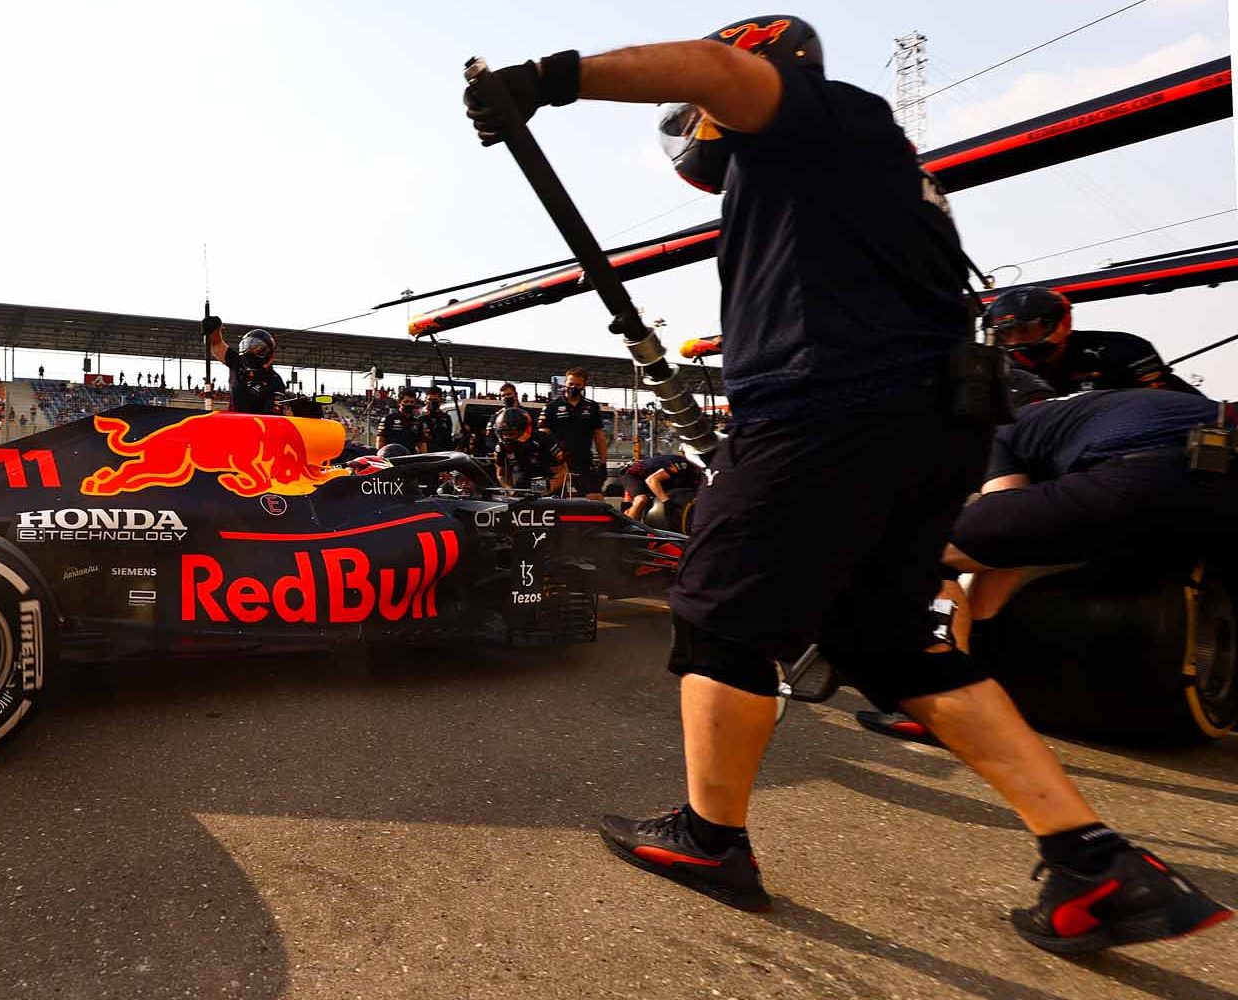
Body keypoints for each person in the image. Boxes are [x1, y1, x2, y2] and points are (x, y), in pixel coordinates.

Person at [467, 14, 1229, 949]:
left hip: (829, 406)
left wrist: (550, 78)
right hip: (926, 418)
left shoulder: (814, 118)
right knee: (887, 641)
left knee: (718, 611)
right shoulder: (855, 167)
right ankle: (1094, 861)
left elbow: (714, 67)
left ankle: (710, 838)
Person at [862, 372, 1238, 743]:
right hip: (1219, 462)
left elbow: (1001, 523)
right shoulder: (1085, 408)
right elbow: (1013, 546)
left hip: (1147, 472)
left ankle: (949, 708)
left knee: (926, 549)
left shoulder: (998, 429)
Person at [985, 286, 1201, 396]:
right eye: (1005, 333)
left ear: (1057, 322)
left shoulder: (1123, 349)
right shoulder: (996, 369)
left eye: (1024, 329)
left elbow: (1169, 403)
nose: (1014, 341)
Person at [541, 366, 609, 495]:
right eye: (570, 383)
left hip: (583, 461)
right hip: (557, 462)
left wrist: (603, 462)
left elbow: (599, 435)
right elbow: (543, 434)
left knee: (595, 499)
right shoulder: (551, 407)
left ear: (583, 386)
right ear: (565, 383)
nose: (573, 387)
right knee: (553, 501)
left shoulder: (592, 406)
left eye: (578, 384)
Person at [205, 317, 286, 415]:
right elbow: (215, 344)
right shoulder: (238, 362)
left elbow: (273, 416)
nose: (249, 350)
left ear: (269, 353)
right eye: (247, 345)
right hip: (234, 422)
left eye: (257, 347)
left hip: (258, 425)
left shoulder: (275, 381)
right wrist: (213, 330)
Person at [491, 406, 567, 493]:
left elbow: (562, 473)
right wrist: (510, 490)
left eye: (511, 433)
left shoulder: (544, 440)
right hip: (520, 486)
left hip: (548, 485)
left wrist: (547, 490)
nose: (506, 437)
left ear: (524, 429)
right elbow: (501, 474)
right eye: (503, 433)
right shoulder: (500, 447)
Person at [618, 452, 703, 520]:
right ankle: (629, 531)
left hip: (649, 479)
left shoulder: (697, 471)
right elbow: (651, 480)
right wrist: (666, 502)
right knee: (641, 499)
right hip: (634, 475)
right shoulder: (683, 465)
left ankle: (627, 522)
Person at [376, 388, 426, 452]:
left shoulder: (418, 422)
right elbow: (380, 440)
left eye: (412, 402)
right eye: (406, 402)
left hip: (411, 457)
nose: (409, 404)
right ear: (399, 402)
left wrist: (424, 458)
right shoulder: (388, 419)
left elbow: (421, 443)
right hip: (392, 456)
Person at [420, 386, 455, 452]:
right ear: (426, 400)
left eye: (435, 400)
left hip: (442, 453)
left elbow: (448, 438)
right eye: (430, 400)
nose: (432, 402)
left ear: (440, 400)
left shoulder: (446, 418)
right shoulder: (420, 417)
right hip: (426, 454)